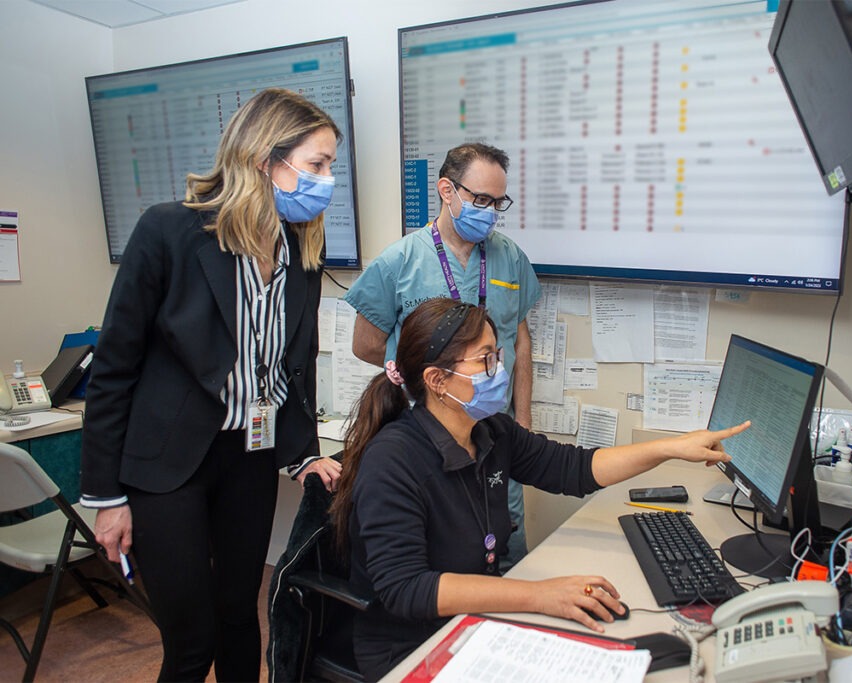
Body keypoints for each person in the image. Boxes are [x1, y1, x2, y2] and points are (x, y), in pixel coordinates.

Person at [329, 298, 750, 680]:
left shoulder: (489, 431)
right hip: (410, 649)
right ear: (438, 380)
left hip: (476, 619)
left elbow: (575, 468)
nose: (501, 369)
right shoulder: (393, 461)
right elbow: (407, 589)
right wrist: (540, 595)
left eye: (499, 354)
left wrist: (671, 448)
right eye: (486, 361)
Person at [79, 88, 343, 682]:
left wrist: (303, 455)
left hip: (247, 457)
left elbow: (291, 366)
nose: (328, 180)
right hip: (165, 466)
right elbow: (114, 368)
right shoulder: (170, 233)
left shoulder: (300, 248)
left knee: (239, 617)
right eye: (317, 165)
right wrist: (105, 498)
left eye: (331, 166)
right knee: (192, 639)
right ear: (264, 158)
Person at [345, 142, 541, 566]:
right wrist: (423, 375)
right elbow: (366, 344)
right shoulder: (400, 261)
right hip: (430, 432)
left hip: (495, 431)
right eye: (481, 199)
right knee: (444, 553)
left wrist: (522, 419)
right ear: (447, 191)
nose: (490, 211)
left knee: (506, 551)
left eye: (498, 202)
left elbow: (519, 340)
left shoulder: (509, 258)